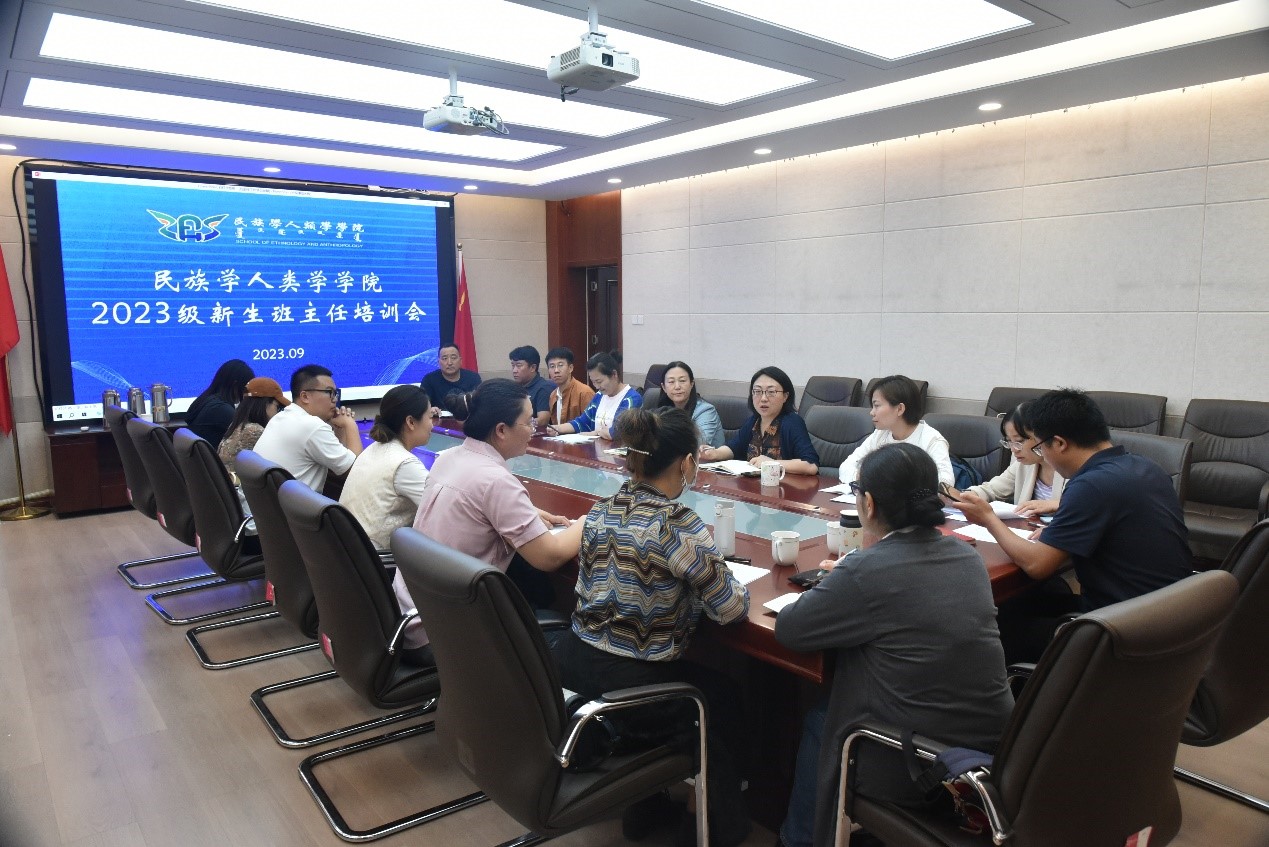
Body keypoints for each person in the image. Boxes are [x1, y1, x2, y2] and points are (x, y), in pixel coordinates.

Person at [775, 444, 1013, 847]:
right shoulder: (967, 557)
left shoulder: (866, 570)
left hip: (921, 766)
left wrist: (844, 577)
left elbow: (791, 630)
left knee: (820, 720)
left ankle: (799, 841)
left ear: (867, 503)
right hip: (994, 753)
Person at [548, 407, 751, 847]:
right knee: (723, 698)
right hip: (631, 688)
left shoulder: (601, 510)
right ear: (687, 463)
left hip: (574, 665)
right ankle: (708, 824)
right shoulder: (676, 523)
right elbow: (731, 609)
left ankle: (646, 805)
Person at [955, 388, 1192, 660]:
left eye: (1040, 447)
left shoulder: (1091, 485)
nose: (1043, 456)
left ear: (1059, 443)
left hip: (1122, 631)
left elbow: (1038, 566)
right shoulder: (1146, 467)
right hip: (1170, 615)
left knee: (984, 631)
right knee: (1025, 601)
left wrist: (988, 518)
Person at [411, 379, 584, 611]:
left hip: (418, 603)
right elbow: (549, 556)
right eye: (528, 422)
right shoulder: (496, 481)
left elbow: (476, 503)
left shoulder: (449, 457)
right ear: (501, 430)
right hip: (456, 617)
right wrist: (588, 520)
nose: (533, 430)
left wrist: (528, 511)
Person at [340, 385, 434, 549]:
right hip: (375, 557)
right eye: (430, 417)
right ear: (411, 422)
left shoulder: (374, 447)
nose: (432, 425)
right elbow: (440, 512)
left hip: (346, 547)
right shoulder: (405, 464)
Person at [252, 364, 363, 493]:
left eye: (335, 393)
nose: (334, 400)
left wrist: (340, 428)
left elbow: (339, 461)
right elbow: (357, 470)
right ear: (305, 396)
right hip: (291, 505)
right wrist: (350, 425)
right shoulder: (312, 426)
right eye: (329, 392)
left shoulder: (282, 417)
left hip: (270, 502)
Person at [948, 402, 1066, 517]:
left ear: (1042, 436)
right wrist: (965, 496)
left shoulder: (1070, 467)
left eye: (1019, 441)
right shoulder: (1023, 464)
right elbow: (993, 489)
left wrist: (1058, 504)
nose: (1014, 449)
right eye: (1009, 441)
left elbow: (1078, 504)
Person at [839, 375, 954, 488]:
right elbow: (846, 467)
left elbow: (945, 484)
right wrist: (863, 478)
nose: (872, 412)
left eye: (877, 406)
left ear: (900, 409)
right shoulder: (880, 434)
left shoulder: (931, 439)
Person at [699, 366, 819, 474]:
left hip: (785, 488)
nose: (763, 398)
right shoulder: (754, 421)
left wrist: (772, 463)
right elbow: (734, 447)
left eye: (771, 392)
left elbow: (811, 465)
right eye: (757, 391)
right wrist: (715, 453)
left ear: (785, 396)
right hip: (754, 487)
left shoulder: (792, 423)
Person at [545, 351, 641, 440]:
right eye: (593, 382)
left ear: (614, 374)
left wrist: (596, 432)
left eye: (599, 381)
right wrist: (557, 428)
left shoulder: (631, 398)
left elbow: (618, 432)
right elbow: (582, 422)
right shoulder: (599, 395)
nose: (597, 387)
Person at [217, 376, 288, 474]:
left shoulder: (237, 426)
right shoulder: (255, 431)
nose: (278, 413)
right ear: (265, 404)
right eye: (278, 407)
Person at [184, 359, 253, 447]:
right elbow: (250, 432)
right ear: (235, 385)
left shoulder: (207, 400)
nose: (246, 393)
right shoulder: (220, 409)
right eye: (245, 388)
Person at [655, 360, 724, 448]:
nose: (677, 387)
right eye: (671, 382)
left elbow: (698, 444)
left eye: (682, 381)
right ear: (664, 387)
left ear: (691, 384)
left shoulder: (706, 410)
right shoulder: (662, 410)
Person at [545, 346, 595, 426]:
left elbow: (591, 425)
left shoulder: (584, 392)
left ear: (570, 368)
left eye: (560, 365)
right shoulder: (553, 395)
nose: (556, 370)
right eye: (552, 366)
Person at [420, 343, 481, 408]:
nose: (449, 363)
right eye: (445, 358)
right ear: (438, 362)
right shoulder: (429, 380)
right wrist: (431, 410)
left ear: (460, 361)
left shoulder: (473, 378)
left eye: (453, 358)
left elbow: (480, 404)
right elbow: (421, 406)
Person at [509, 344, 554, 426]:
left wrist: (519, 425)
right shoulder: (514, 387)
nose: (514, 370)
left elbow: (543, 420)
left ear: (533, 368)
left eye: (519, 366)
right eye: (513, 365)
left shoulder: (543, 388)